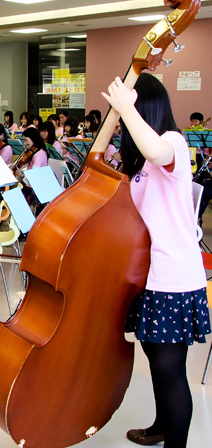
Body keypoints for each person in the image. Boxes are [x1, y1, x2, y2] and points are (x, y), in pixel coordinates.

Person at [103, 74, 210, 448]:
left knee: (169, 369)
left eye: (128, 113)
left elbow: (157, 152)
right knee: (158, 362)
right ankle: (163, 425)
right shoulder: (142, 161)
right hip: (149, 276)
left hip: (172, 279)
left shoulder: (172, 143)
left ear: (142, 107)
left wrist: (126, 109)